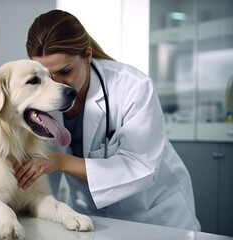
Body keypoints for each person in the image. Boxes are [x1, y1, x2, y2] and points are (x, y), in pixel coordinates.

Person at [13, 9, 201, 231]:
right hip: (89, 216)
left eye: (65, 71)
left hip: (153, 215)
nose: (56, 86)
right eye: (46, 75)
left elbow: (140, 167)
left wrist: (60, 162)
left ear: (87, 56)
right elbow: (41, 176)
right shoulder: (36, 102)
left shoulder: (133, 87)